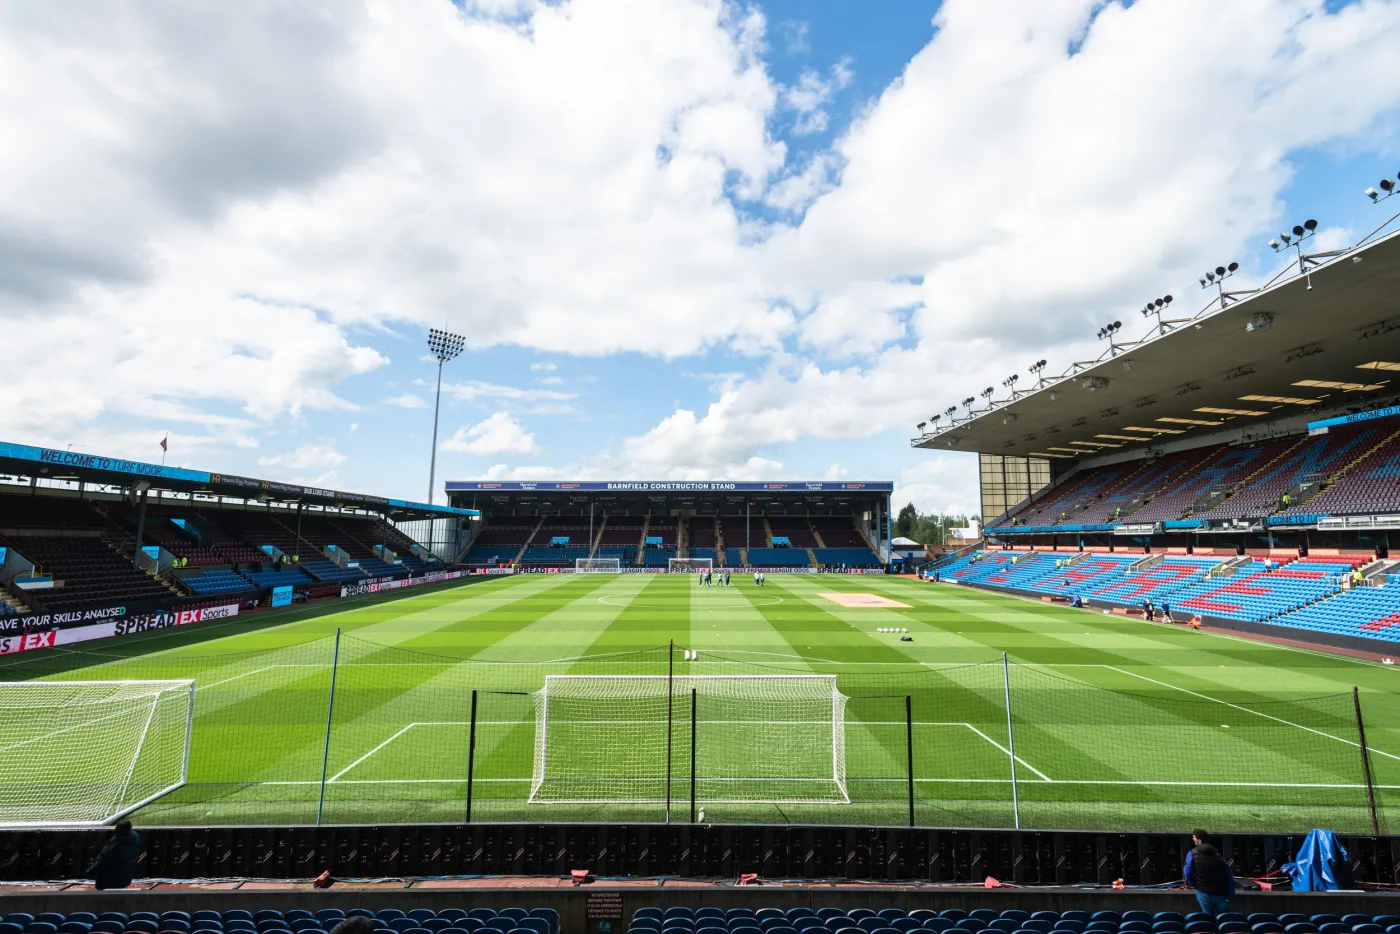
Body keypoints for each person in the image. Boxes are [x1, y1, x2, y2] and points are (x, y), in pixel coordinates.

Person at [1184, 829, 1234, 915]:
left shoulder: (1192, 854)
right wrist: (1230, 895)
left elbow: (1187, 873)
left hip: (1203, 892)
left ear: (1199, 841)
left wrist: (1195, 884)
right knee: (1224, 919)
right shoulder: (1218, 856)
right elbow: (1229, 876)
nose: (1193, 839)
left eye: (1194, 837)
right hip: (1220, 893)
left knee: (1208, 919)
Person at [87, 820, 142, 890]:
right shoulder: (136, 839)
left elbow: (101, 861)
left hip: (107, 882)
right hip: (125, 880)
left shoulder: (114, 846)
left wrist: (88, 873)